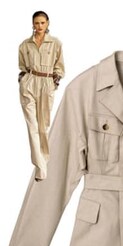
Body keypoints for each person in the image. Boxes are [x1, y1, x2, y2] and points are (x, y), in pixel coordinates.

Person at [18, 11, 64, 180]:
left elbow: (60, 66)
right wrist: (23, 80)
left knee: (43, 127)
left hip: (46, 84)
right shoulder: (24, 45)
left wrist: (55, 81)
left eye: (42, 23)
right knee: (32, 126)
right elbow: (22, 66)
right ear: (32, 24)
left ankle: (43, 160)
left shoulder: (56, 43)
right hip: (29, 84)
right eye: (36, 23)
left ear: (47, 23)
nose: (39, 26)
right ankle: (41, 167)